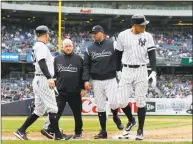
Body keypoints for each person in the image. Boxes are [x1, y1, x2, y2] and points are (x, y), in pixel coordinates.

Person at [14, 25, 72, 140]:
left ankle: (20, 130)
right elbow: (41, 62)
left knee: (39, 110)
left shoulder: (38, 46)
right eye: (48, 34)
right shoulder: (41, 46)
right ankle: (58, 135)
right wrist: (49, 77)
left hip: (39, 79)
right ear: (46, 34)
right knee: (53, 109)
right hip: (43, 79)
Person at [115, 14, 157, 140]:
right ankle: (132, 120)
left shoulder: (148, 36)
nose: (145, 26)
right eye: (142, 24)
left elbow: (152, 54)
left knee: (140, 101)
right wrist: (118, 70)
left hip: (141, 70)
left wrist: (153, 71)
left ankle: (140, 131)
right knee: (121, 101)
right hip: (126, 69)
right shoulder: (122, 35)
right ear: (135, 25)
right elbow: (117, 54)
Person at [83, 25, 124, 139]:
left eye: (95, 33)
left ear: (102, 33)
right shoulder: (89, 48)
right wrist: (86, 80)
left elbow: (119, 57)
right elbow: (86, 66)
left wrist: (119, 70)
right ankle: (103, 131)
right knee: (100, 106)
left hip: (110, 79)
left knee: (114, 102)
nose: (94, 35)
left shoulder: (112, 44)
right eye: (93, 33)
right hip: (96, 81)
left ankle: (115, 117)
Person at [40, 39, 85, 139]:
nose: (68, 48)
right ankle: (52, 129)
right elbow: (55, 75)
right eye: (66, 46)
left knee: (77, 113)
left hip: (75, 91)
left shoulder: (79, 59)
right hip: (61, 91)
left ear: (73, 46)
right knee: (57, 112)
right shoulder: (57, 59)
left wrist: (83, 88)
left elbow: (83, 74)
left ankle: (78, 132)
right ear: (62, 47)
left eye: (70, 46)